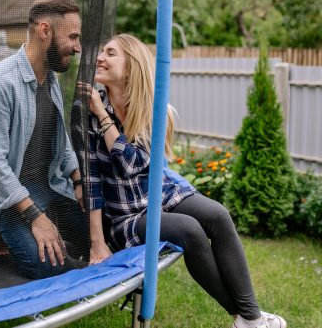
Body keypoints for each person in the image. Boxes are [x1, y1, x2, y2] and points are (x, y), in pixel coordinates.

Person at [83, 34, 287, 328]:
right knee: (190, 230)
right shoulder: (90, 114)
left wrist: (103, 117)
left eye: (110, 53)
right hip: (126, 216)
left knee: (218, 215)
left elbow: (133, 161)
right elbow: (95, 181)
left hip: (158, 193)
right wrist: (97, 244)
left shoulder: (153, 110)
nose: (100, 57)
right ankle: (249, 319)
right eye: (101, 51)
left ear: (131, 66)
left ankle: (249, 316)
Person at [0, 0, 88, 279]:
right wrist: (37, 219)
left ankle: (82, 259)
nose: (77, 48)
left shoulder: (51, 79)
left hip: (50, 189)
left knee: (101, 231)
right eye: (72, 37)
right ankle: (91, 272)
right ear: (45, 30)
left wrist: (78, 182)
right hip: (13, 205)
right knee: (46, 263)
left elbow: (62, 144)